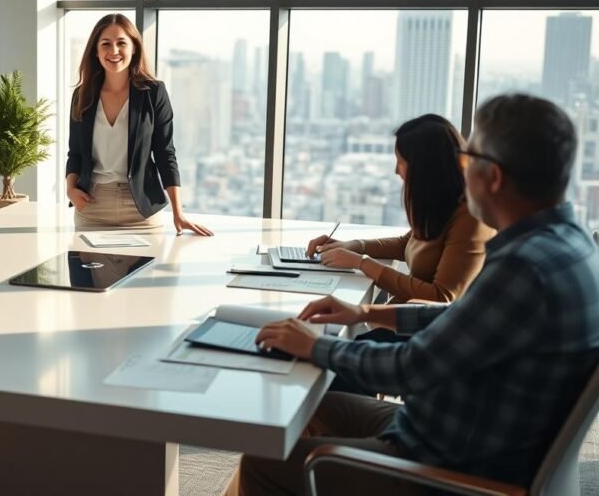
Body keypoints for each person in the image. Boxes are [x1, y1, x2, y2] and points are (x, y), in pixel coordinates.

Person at [233, 94, 599, 495]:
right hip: (451, 431)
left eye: (466, 160)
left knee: (263, 465)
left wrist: (318, 347)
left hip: (444, 467)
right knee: (312, 408)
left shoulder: (524, 269)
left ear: (492, 176)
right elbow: (461, 320)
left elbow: (412, 367)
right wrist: (364, 313)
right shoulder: (572, 246)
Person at [306, 114, 494, 304]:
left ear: (425, 167)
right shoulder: (442, 204)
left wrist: (361, 262)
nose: (396, 170)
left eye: (401, 162)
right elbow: (407, 244)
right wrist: (351, 246)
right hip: (403, 319)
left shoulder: (470, 218)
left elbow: (441, 297)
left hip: (426, 329)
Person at [65, 13, 213, 236]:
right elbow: (75, 153)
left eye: (121, 43)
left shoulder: (154, 93)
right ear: (96, 51)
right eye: (105, 44)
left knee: (145, 272)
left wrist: (178, 213)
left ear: (134, 48)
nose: (114, 51)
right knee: (85, 271)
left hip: (141, 210)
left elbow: (165, 153)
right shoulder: (83, 95)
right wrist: (70, 190)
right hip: (92, 207)